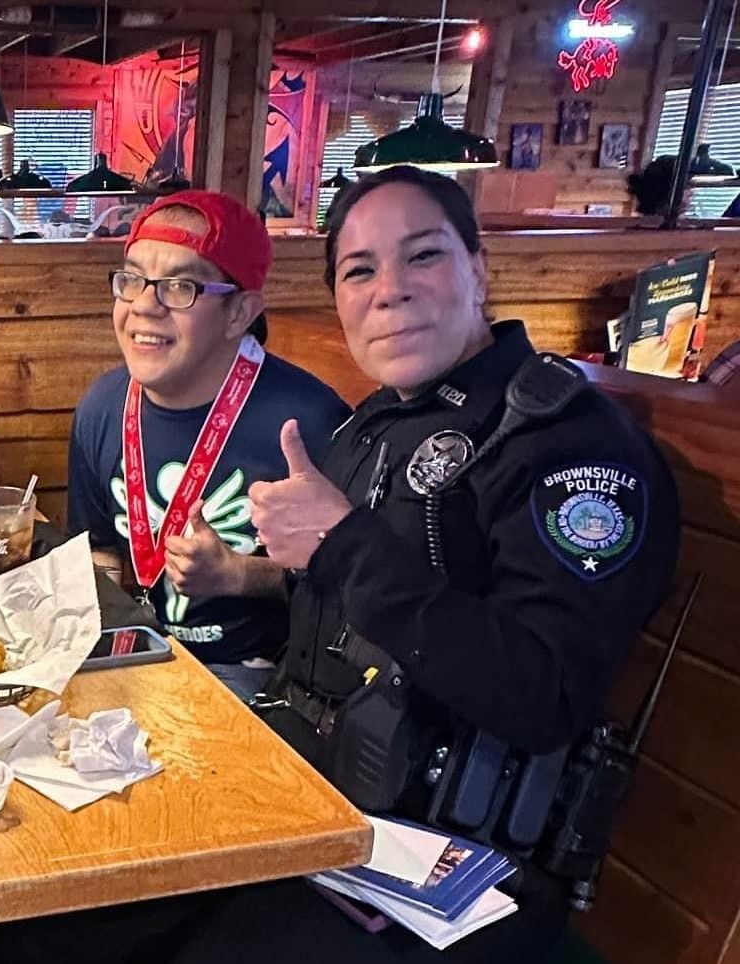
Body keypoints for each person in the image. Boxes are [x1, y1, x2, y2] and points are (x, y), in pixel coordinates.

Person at [172, 165, 681, 962]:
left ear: (480, 267)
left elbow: (543, 692)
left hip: (456, 873)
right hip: (312, 795)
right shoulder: (377, 420)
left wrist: (341, 544)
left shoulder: (570, 447)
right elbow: (345, 608)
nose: (390, 291)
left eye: (424, 257)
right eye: (360, 269)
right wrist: (253, 572)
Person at [66, 189, 350, 698]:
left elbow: (355, 593)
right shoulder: (102, 406)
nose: (144, 307)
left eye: (179, 287)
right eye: (131, 281)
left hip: (266, 681)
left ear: (240, 313)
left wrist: (240, 576)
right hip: (137, 657)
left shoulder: (313, 423)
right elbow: (101, 550)